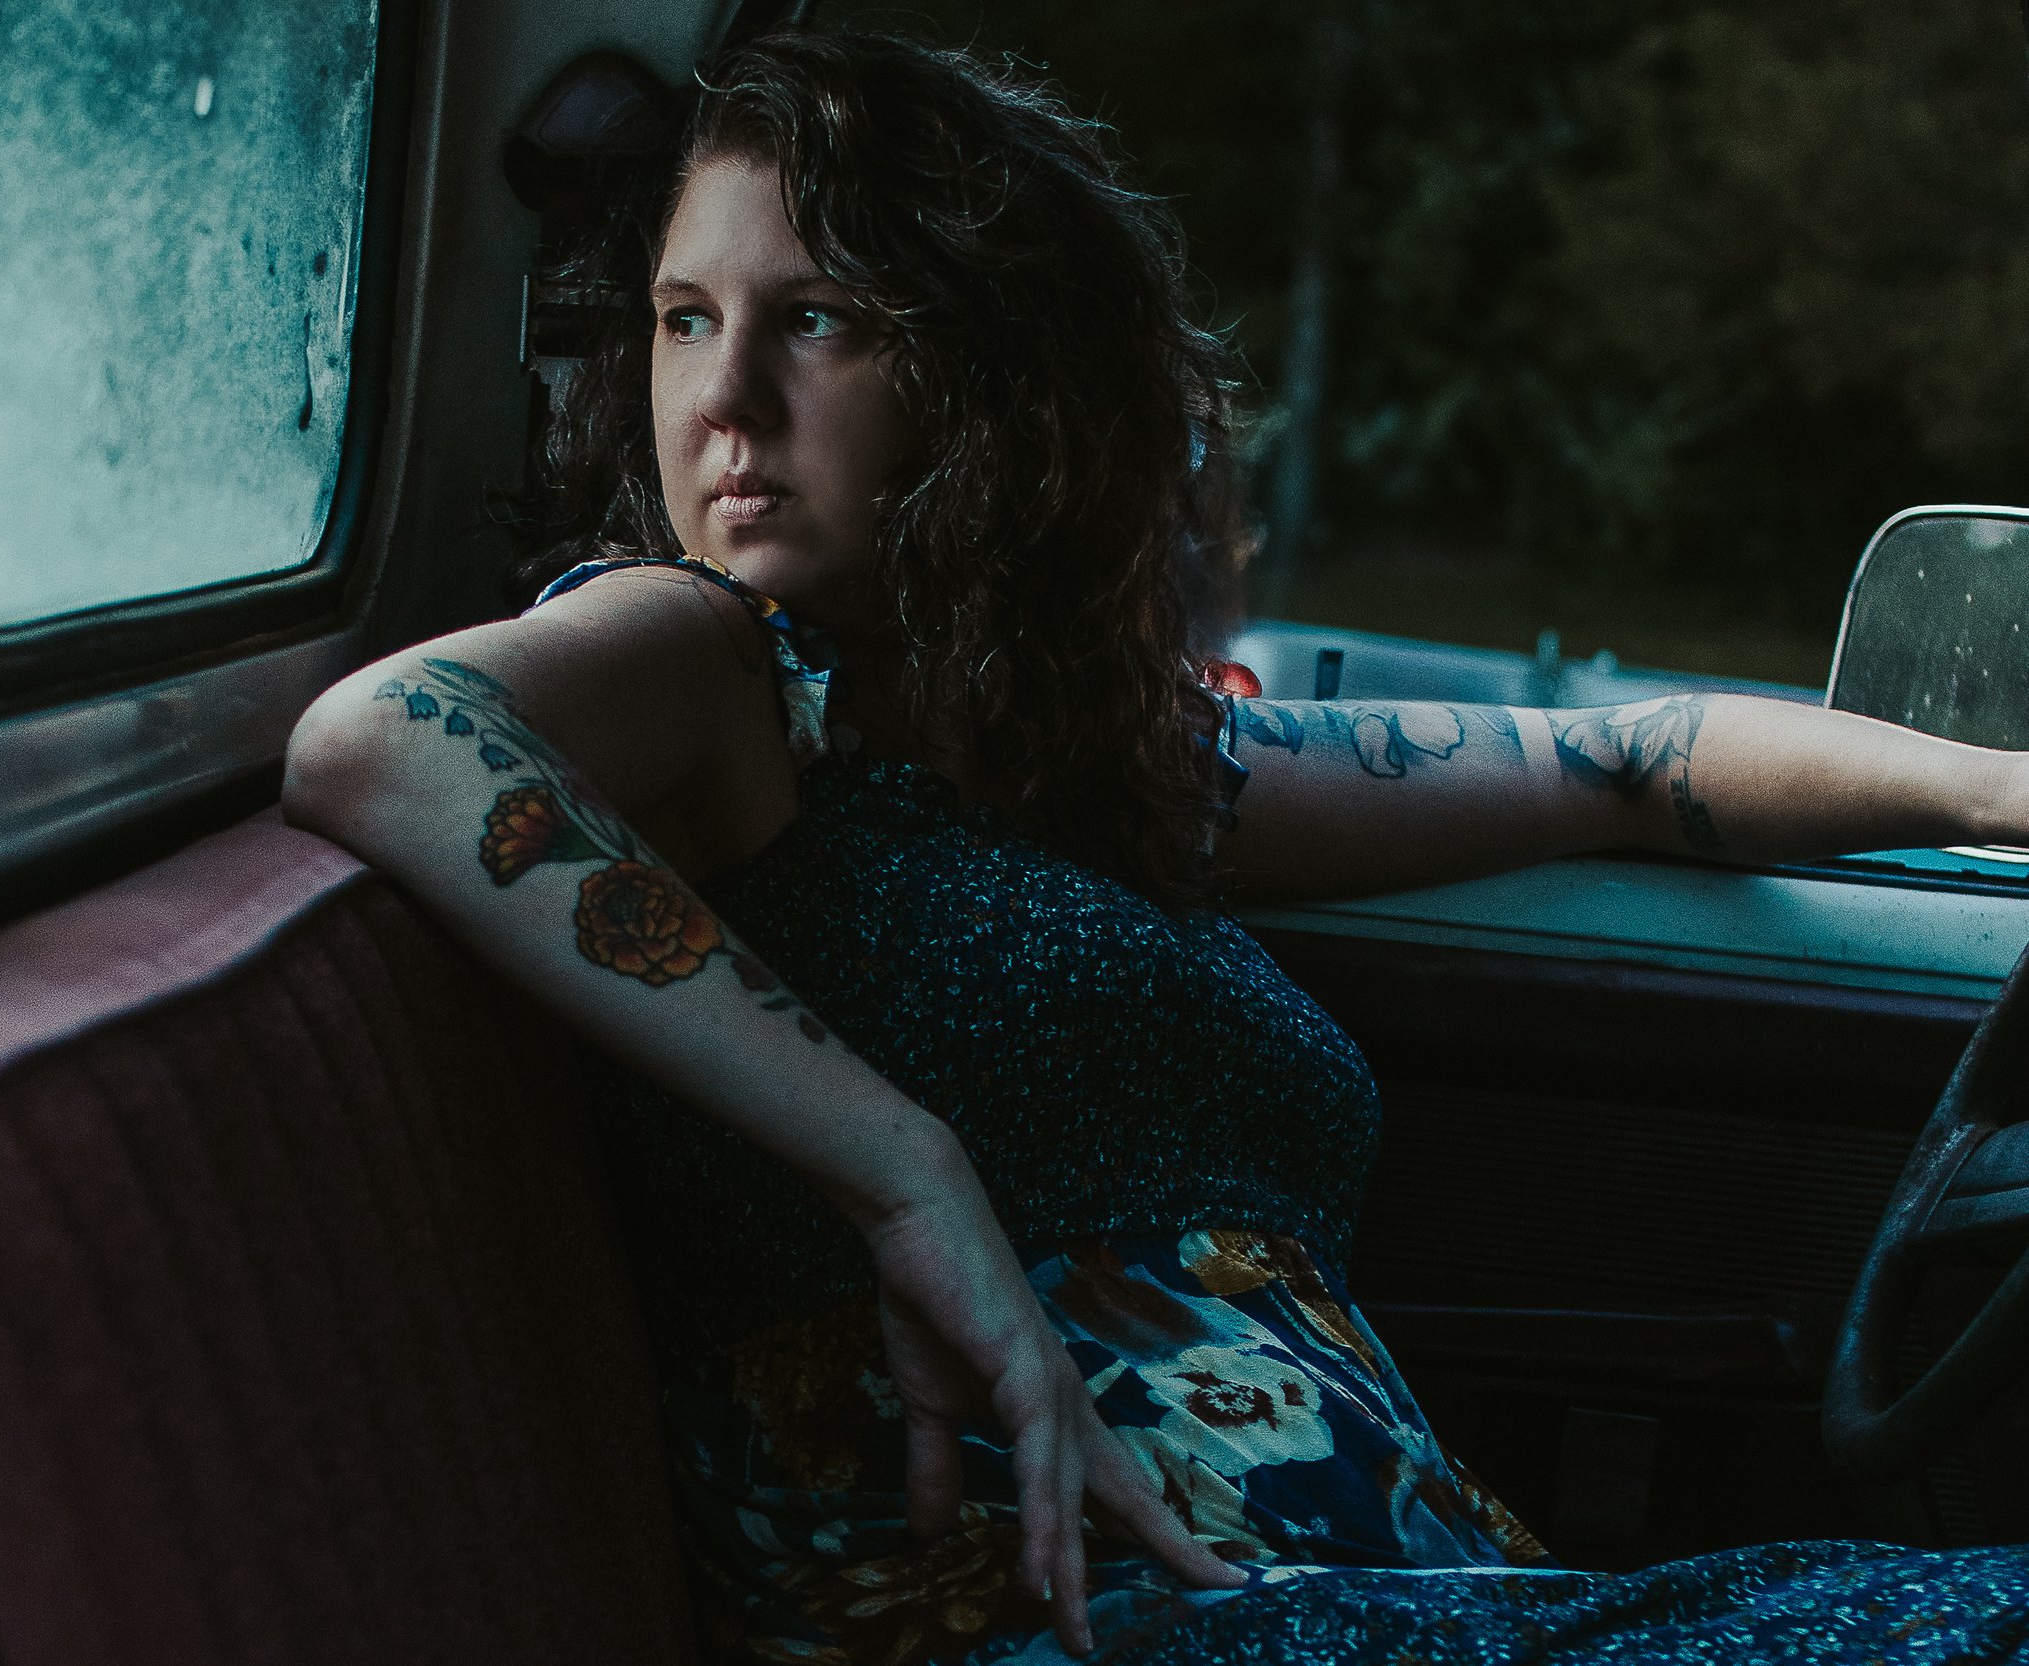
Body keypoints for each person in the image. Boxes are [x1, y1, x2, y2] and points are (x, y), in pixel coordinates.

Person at [283, 29, 2029, 1665]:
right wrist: (902, 1165)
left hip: (1400, 1599)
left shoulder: (1076, 762)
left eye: (815, 318)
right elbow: (382, 742)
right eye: (680, 317)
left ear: (986, 378)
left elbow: (1625, 765)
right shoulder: (709, 657)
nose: (722, 398)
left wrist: (1998, 792)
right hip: (1102, 1615)